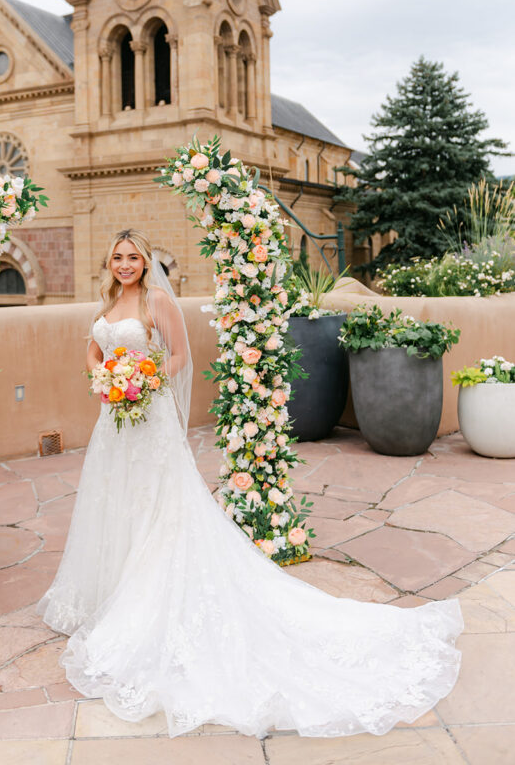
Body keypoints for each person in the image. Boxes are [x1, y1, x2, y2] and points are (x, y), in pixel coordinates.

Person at [37, 228, 463, 740]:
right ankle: (111, 589)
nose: (124, 264)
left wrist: (142, 380)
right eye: (117, 256)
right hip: (113, 426)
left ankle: (145, 597)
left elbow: (178, 359)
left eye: (133, 257)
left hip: (148, 422)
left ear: (147, 263)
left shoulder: (156, 303)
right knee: (116, 505)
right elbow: (92, 349)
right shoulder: (109, 301)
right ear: (110, 263)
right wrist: (103, 377)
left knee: (156, 508)